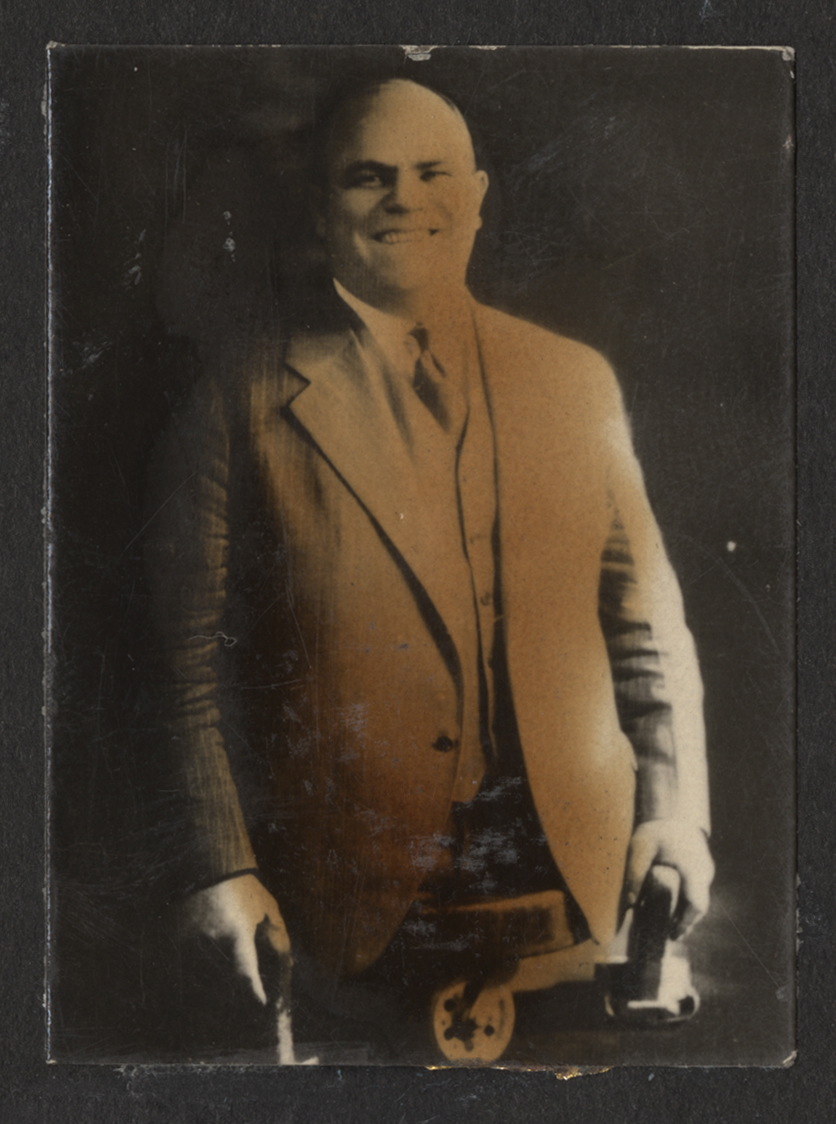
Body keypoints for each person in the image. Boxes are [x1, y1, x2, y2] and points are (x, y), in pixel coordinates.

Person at [145, 77, 714, 1024]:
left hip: (581, 899)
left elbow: (649, 627)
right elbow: (185, 666)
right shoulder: (235, 402)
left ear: (479, 199)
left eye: (430, 173)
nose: (404, 198)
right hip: (346, 920)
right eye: (368, 178)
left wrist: (675, 812)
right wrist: (218, 864)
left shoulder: (576, 383)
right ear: (324, 213)